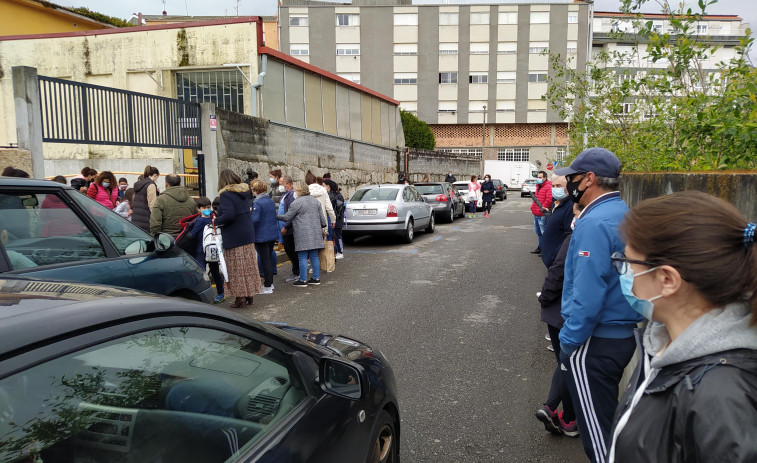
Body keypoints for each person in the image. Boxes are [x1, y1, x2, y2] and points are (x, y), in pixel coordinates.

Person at [606, 191, 757, 462]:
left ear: (667, 280)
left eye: (628, 262)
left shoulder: (722, 399)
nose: (625, 272)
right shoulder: (665, 345)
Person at [554, 147, 643, 463]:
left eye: (573, 178)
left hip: (595, 341)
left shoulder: (594, 223)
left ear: (589, 179)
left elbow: (588, 296)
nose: (569, 184)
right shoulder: (623, 212)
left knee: (597, 437)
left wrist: (568, 342)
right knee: (607, 420)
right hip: (619, 336)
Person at [535, 201, 581, 438]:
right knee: (567, 363)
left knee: (566, 363)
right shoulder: (579, 235)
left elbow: (557, 271)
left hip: (563, 312)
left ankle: (559, 411)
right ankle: (562, 414)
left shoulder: (577, 237)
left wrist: (544, 298)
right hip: (567, 313)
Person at [214, 169, 261, 308]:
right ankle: (249, 294)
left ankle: (239, 298)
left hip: (234, 236)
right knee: (247, 266)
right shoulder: (243, 193)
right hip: (247, 234)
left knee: (235, 268)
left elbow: (229, 215)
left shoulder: (226, 195)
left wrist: (216, 221)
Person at [276, 181, 327, 287]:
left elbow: (287, 217)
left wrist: (275, 215)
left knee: (302, 256)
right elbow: (323, 220)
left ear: (298, 191)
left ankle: (303, 280)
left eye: (295, 189)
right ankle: (315, 278)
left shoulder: (296, 203)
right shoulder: (315, 201)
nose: (294, 191)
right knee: (314, 255)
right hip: (315, 232)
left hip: (302, 233)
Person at [188, 197, 225, 303]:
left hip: (201, 251)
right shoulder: (213, 219)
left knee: (201, 273)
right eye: (204, 208)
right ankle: (221, 293)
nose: (207, 209)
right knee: (215, 272)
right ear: (199, 209)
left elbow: (191, 235)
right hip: (212, 250)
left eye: (208, 207)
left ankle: (201, 295)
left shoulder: (199, 221)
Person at [251, 180, 279, 294]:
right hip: (272, 234)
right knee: (268, 258)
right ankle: (270, 283)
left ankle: (268, 285)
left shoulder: (257, 202)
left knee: (265, 260)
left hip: (262, 235)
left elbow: (255, 219)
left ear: (256, 190)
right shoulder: (269, 200)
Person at [539, 175, 574, 268]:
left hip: (557, 262)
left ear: (568, 187)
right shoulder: (556, 203)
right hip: (550, 259)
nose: (555, 189)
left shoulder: (571, 207)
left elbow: (569, 237)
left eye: (558, 186)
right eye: (553, 186)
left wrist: (556, 257)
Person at [278, 175, 300, 283]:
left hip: (289, 228)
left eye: (281, 184)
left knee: (291, 250)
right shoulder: (286, 194)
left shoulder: (291, 195)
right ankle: (296, 271)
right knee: (289, 250)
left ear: (287, 183)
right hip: (286, 226)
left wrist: (286, 226)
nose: (280, 186)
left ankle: (297, 273)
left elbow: (292, 213)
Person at [530, 170, 553, 255]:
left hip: (543, 214)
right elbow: (536, 198)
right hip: (536, 212)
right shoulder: (538, 186)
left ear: (545, 178)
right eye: (537, 177)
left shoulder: (548, 186)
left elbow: (549, 200)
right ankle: (540, 248)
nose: (538, 179)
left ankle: (545, 250)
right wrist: (533, 207)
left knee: (544, 233)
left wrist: (542, 209)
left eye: (540, 177)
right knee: (539, 232)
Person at [132, 166, 160, 232]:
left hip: (136, 217)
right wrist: (156, 220)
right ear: (155, 175)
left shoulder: (139, 184)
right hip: (146, 219)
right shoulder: (151, 185)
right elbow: (152, 204)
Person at [325, 179, 345, 259]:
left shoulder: (337, 196)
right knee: (335, 236)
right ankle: (336, 252)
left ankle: (340, 252)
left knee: (338, 236)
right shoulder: (333, 195)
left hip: (337, 219)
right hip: (335, 219)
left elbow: (339, 209)